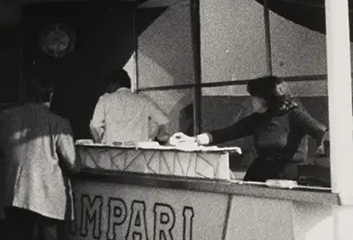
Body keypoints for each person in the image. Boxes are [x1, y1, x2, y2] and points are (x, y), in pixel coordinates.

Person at [0, 76, 78, 240]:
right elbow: (72, 162)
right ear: (50, 95)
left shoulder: (7, 117)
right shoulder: (59, 123)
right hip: (49, 198)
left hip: (16, 195)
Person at [178, 75, 326, 183]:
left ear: (265, 99)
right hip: (258, 174)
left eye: (253, 97)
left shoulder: (294, 115)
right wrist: (194, 140)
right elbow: (226, 133)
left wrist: (323, 144)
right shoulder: (257, 119)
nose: (251, 100)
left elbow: (320, 130)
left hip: (286, 177)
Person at [89, 69, 168, 143]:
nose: (107, 89)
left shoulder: (104, 99)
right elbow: (163, 121)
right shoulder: (144, 100)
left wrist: (99, 143)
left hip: (112, 152)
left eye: (108, 85)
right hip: (139, 153)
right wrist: (155, 137)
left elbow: (95, 126)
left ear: (114, 83)